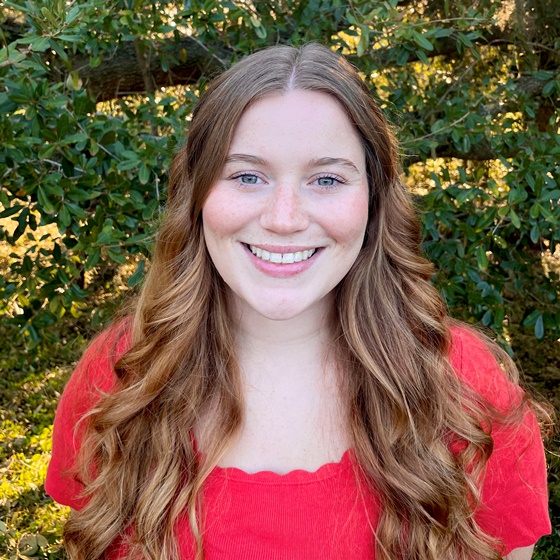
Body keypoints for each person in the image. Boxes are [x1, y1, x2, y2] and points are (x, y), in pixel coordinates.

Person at [45, 44, 551, 560]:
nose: (284, 219)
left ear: (374, 200)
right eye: (246, 175)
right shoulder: (123, 376)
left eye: (327, 179)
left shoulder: (467, 388)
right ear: (196, 194)